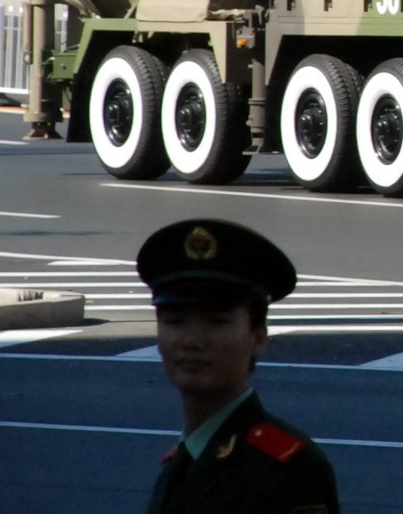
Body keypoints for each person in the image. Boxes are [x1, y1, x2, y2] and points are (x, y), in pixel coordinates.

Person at [137, 218, 339, 513]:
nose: (192, 341)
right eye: (175, 321)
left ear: (257, 338)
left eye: (217, 322)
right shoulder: (184, 459)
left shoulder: (291, 469)